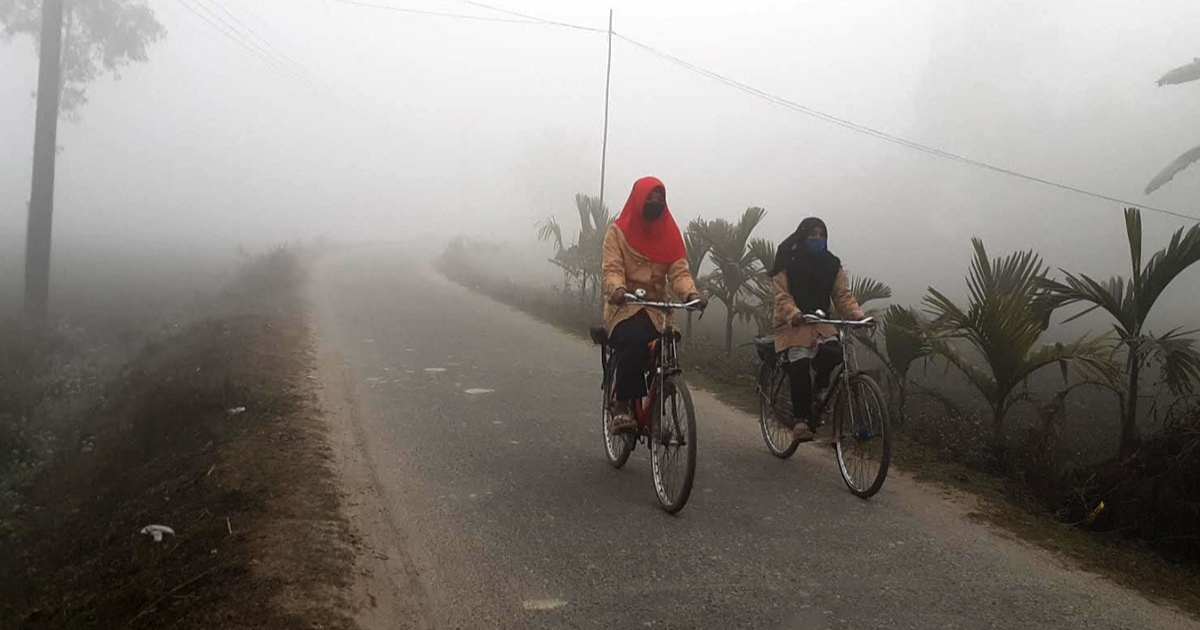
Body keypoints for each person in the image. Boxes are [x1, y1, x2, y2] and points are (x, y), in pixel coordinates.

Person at [601, 176, 708, 434]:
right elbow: (612, 268)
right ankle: (624, 404)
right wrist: (617, 288)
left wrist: (690, 295)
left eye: (660, 199)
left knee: (667, 346)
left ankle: (659, 398)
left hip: (657, 308)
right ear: (638, 200)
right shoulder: (618, 232)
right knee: (634, 340)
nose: (655, 203)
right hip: (624, 305)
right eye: (649, 198)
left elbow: (679, 273)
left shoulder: (669, 233)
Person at [769, 217, 866, 442]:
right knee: (800, 362)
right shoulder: (787, 260)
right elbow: (782, 296)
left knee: (834, 352)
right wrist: (794, 314)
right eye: (812, 235)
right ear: (803, 236)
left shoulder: (831, 264)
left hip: (821, 323)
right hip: (792, 323)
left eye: (821, 235)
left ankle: (819, 391)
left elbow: (842, 296)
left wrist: (858, 315)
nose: (817, 239)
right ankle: (800, 420)